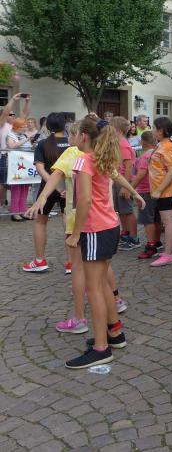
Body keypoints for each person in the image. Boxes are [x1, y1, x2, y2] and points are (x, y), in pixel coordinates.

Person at [64, 117, 144, 369]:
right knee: (103, 285)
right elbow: (117, 177)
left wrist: (76, 234)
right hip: (110, 226)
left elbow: (84, 200)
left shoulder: (84, 160)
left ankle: (101, 347)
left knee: (94, 289)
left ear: (84, 137)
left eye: (75, 134)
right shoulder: (101, 158)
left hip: (95, 229)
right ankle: (114, 333)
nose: (74, 138)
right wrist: (135, 193)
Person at [26, 122, 86, 332]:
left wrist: (45, 194)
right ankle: (114, 305)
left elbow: (47, 171)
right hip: (100, 218)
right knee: (99, 269)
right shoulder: (97, 153)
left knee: (42, 222)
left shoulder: (65, 149)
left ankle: (40, 259)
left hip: (74, 210)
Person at [23, 113, 70, 272]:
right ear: (65, 125)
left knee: (40, 222)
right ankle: (71, 263)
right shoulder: (71, 143)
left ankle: (40, 260)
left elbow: (40, 168)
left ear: (47, 127)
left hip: (48, 188)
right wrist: (62, 187)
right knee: (68, 222)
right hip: (68, 187)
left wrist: (54, 186)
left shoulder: (43, 143)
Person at [148, 117, 172, 266]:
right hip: (161, 189)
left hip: (165, 190)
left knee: (168, 221)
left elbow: (171, 171)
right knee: (167, 220)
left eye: (154, 128)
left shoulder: (166, 146)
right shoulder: (162, 144)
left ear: (160, 131)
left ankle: (169, 254)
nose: (152, 130)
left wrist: (159, 190)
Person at [110, 117, 139, 250]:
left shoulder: (123, 145)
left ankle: (134, 237)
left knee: (128, 210)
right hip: (118, 180)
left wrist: (126, 187)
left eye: (111, 128)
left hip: (123, 181)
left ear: (118, 131)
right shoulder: (118, 143)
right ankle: (126, 233)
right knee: (121, 210)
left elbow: (128, 167)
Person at [132, 131, 162, 259]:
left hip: (145, 191)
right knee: (157, 218)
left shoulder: (144, 157)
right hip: (157, 190)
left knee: (148, 220)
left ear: (143, 142)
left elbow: (141, 174)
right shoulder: (157, 154)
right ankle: (157, 241)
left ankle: (151, 245)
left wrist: (130, 188)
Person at [6, 117, 33, 221]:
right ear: (17, 127)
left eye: (25, 126)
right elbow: (11, 145)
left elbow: (28, 147)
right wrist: (26, 139)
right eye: (23, 126)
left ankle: (22, 210)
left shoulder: (24, 135)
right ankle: (15, 212)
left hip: (25, 165)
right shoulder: (10, 134)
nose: (25, 128)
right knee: (16, 189)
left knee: (25, 188)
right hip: (15, 165)